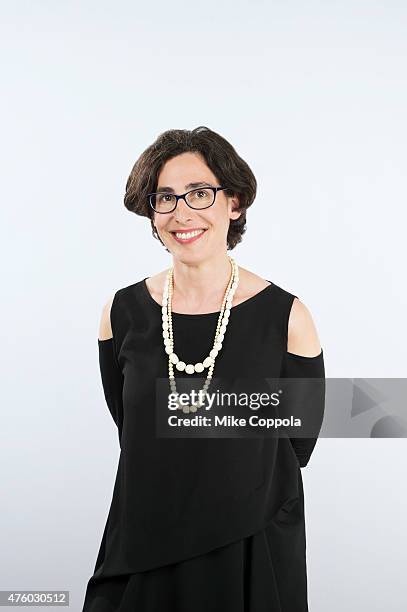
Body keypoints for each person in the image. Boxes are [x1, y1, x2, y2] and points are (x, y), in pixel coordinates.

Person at [82, 126, 325, 611]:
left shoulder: (287, 316)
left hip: (249, 545)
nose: (181, 213)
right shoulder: (121, 312)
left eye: (199, 193)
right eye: (165, 198)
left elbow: (298, 444)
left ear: (233, 203)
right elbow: (130, 424)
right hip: (143, 542)